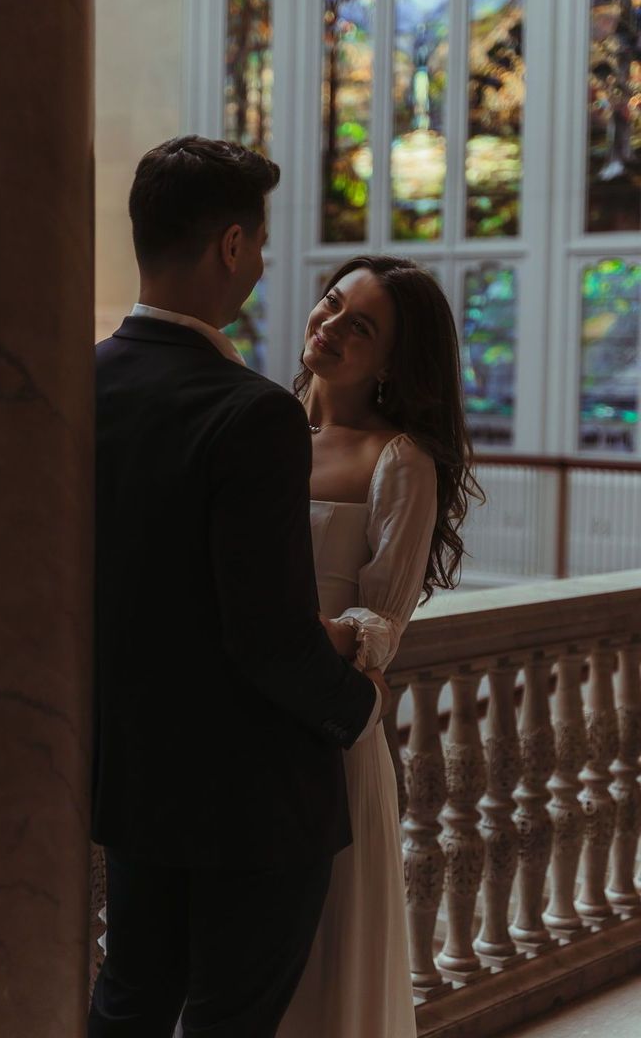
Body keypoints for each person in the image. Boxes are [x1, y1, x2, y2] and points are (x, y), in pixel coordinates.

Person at [88, 137, 392, 1038]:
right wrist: (358, 707)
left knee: (129, 1001)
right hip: (251, 803)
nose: (261, 260)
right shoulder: (251, 411)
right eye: (258, 241)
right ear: (230, 246)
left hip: (132, 778)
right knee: (228, 1023)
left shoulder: (82, 384)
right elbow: (269, 636)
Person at [277, 255, 483, 1038]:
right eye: (331, 304)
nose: (328, 327)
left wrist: (305, 633)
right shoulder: (264, 422)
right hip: (241, 721)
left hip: (328, 732)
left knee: (324, 955)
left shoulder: (398, 459)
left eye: (358, 327)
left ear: (394, 359)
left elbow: (379, 629)